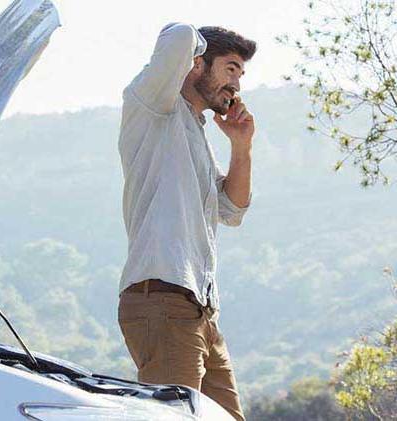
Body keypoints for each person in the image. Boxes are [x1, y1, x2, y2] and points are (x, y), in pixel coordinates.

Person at [116, 23, 256, 421]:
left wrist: (241, 148)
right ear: (197, 64)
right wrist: (193, 49)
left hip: (201, 310)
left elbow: (232, 211)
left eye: (241, 75)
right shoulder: (151, 105)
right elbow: (178, 36)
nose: (237, 86)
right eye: (230, 69)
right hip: (161, 301)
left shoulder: (196, 132)